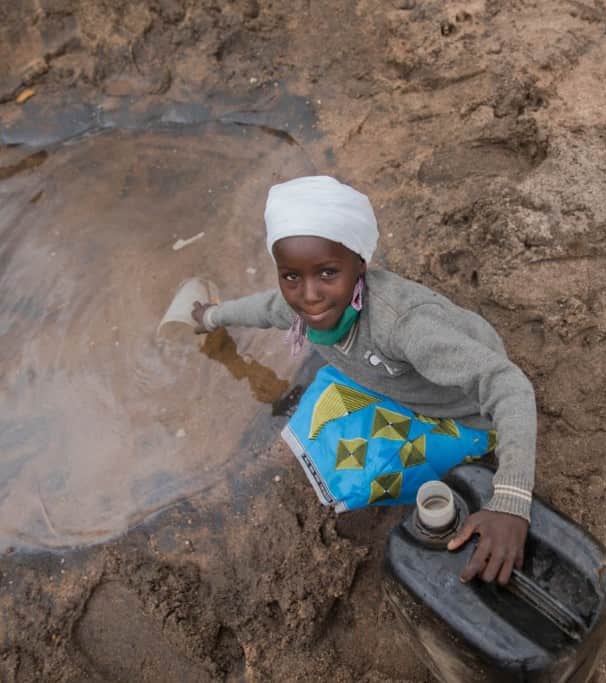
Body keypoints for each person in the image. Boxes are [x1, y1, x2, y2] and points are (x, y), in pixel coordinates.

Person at [192, 176, 536, 586]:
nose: (309, 295)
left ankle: (465, 458)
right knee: (317, 403)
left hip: (468, 414)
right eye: (291, 277)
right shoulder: (302, 308)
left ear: (360, 263)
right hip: (407, 383)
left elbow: (507, 385)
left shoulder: (403, 326)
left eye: (326, 273)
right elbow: (264, 308)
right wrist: (210, 317)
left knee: (356, 472)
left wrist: (512, 502)